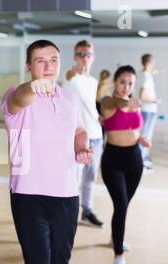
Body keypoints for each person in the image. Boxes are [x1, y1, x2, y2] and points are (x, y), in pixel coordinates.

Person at [1, 39, 93, 264]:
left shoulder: (69, 98)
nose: (48, 65)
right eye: (40, 60)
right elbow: (20, 98)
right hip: (29, 196)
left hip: (66, 195)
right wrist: (33, 86)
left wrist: (81, 148)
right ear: (28, 65)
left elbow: (79, 130)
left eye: (53, 59)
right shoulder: (14, 95)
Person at [100, 65, 150, 264]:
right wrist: (129, 100)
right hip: (113, 161)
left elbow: (133, 127)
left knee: (124, 205)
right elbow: (118, 106)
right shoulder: (107, 101)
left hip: (134, 160)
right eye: (122, 81)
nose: (126, 86)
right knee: (120, 205)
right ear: (115, 81)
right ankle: (118, 255)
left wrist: (140, 138)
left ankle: (115, 237)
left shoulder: (134, 104)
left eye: (130, 83)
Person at [64, 40, 104, 228]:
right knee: (75, 178)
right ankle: (68, 214)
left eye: (88, 54)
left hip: (96, 136)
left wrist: (98, 116)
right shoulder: (70, 77)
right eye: (81, 54)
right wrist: (72, 73)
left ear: (93, 57)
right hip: (79, 137)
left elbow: (89, 106)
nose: (85, 58)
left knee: (90, 178)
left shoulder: (93, 81)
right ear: (75, 57)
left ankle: (87, 212)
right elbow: (69, 77)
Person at [138, 54, 163, 172]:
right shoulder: (146, 77)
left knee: (147, 136)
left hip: (149, 110)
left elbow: (154, 72)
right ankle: (140, 163)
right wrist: (155, 101)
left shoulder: (145, 75)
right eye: (152, 64)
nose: (153, 66)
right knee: (145, 137)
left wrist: (159, 71)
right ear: (148, 64)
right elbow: (142, 96)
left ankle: (144, 158)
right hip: (147, 110)